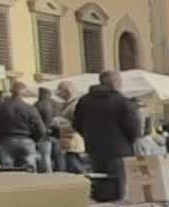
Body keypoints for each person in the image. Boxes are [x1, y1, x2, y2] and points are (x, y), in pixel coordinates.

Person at [72, 70, 141, 198]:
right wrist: (127, 141)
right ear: (114, 82)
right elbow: (134, 128)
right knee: (118, 188)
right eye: (120, 81)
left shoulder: (84, 101)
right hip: (119, 151)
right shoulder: (121, 101)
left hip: (95, 150)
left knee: (101, 187)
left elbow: (76, 124)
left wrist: (89, 136)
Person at [0, 81, 47, 170]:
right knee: (29, 170)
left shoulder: (0, 107)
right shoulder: (30, 108)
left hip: (6, 141)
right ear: (23, 92)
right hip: (26, 140)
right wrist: (35, 139)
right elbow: (41, 129)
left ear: (11, 91)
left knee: (8, 170)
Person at [33, 85, 59, 173]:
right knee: (57, 156)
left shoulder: (38, 105)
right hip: (56, 134)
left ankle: (48, 173)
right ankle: (59, 172)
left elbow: (35, 121)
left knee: (45, 155)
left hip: (43, 134)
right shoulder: (56, 104)